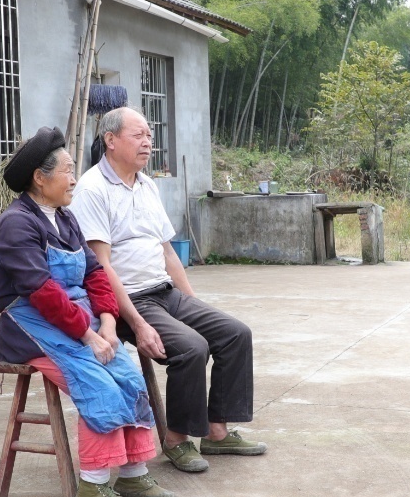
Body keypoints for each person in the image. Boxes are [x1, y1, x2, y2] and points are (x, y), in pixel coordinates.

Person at [0, 126, 175, 497]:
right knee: (98, 382)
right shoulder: (16, 224)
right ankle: (92, 487)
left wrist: (108, 323)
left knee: (128, 375)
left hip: (81, 322)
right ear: (40, 178)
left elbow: (94, 273)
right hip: (33, 328)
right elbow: (40, 292)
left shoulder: (65, 218)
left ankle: (133, 473)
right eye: (68, 171)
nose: (75, 179)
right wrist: (90, 335)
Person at [69, 108, 266, 473]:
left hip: (164, 293)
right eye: (138, 135)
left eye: (150, 136)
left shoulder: (147, 184)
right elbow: (101, 268)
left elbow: (166, 250)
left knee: (234, 334)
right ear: (111, 141)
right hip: (126, 301)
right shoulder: (92, 190)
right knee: (191, 347)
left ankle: (217, 433)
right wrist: (139, 325)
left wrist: (191, 301)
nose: (148, 142)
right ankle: (176, 439)